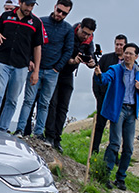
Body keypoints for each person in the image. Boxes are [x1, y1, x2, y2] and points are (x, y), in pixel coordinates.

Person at [14, 0, 74, 141]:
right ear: (54, 7)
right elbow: (29, 41)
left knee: (44, 104)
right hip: (36, 68)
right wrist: (29, 60)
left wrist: (57, 68)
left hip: (52, 72)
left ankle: (39, 133)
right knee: (28, 100)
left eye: (64, 13)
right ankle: (20, 129)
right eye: (59, 10)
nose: (60, 14)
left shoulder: (68, 29)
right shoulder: (40, 22)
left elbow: (68, 50)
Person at [0, 0, 43, 131]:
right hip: (2, 61)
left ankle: (3, 127)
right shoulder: (5, 16)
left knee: (12, 98)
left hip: (21, 65)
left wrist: (36, 71)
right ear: (20, 3)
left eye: (32, 6)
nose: (29, 8)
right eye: (27, 5)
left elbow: (37, 47)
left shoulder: (36, 23)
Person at [93, 43, 139, 190]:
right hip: (119, 109)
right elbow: (105, 79)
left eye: (131, 54)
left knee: (129, 147)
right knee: (115, 143)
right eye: (126, 53)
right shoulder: (116, 69)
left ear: (136, 57)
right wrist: (99, 74)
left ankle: (120, 178)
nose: (127, 56)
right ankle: (105, 174)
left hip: (131, 111)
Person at [42, 18, 98, 152]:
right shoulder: (68, 32)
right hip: (57, 70)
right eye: (83, 32)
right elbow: (60, 51)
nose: (85, 36)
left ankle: (57, 138)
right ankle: (49, 135)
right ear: (79, 27)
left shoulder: (88, 41)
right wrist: (71, 60)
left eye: (88, 34)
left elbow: (91, 56)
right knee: (52, 104)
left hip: (68, 74)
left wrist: (92, 63)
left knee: (63, 107)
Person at [92, 34, 127, 153]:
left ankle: (114, 154)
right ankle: (94, 149)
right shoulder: (106, 59)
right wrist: (98, 96)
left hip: (119, 100)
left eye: (121, 45)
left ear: (125, 46)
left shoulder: (129, 63)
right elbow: (96, 77)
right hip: (104, 97)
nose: (118, 47)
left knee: (117, 128)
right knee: (99, 125)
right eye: (117, 44)